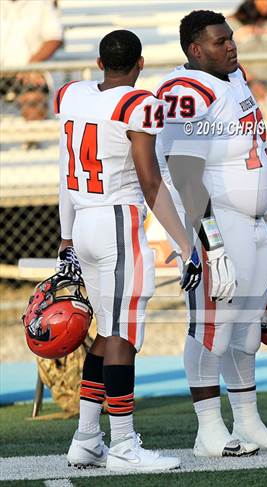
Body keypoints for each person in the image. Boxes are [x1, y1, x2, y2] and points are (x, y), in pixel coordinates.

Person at [155, 9, 267, 458]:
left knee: (246, 332)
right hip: (215, 223)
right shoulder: (185, 91)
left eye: (231, 38)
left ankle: (248, 422)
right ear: (195, 49)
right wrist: (211, 244)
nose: (231, 46)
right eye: (220, 41)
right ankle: (208, 431)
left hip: (253, 222)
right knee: (211, 329)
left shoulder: (232, 77)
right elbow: (185, 173)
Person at [60, 30, 202, 472]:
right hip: (118, 223)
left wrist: (65, 236)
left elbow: (65, 170)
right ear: (140, 63)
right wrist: (186, 244)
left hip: (83, 220)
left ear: (100, 63)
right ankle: (123, 445)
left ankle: (87, 439)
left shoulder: (73, 95)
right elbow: (150, 181)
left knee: (107, 332)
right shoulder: (138, 104)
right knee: (123, 337)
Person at [0, 0, 63, 144]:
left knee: (33, 99)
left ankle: (32, 144)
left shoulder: (42, 4)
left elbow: (55, 38)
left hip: (30, 73)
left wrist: (33, 64)